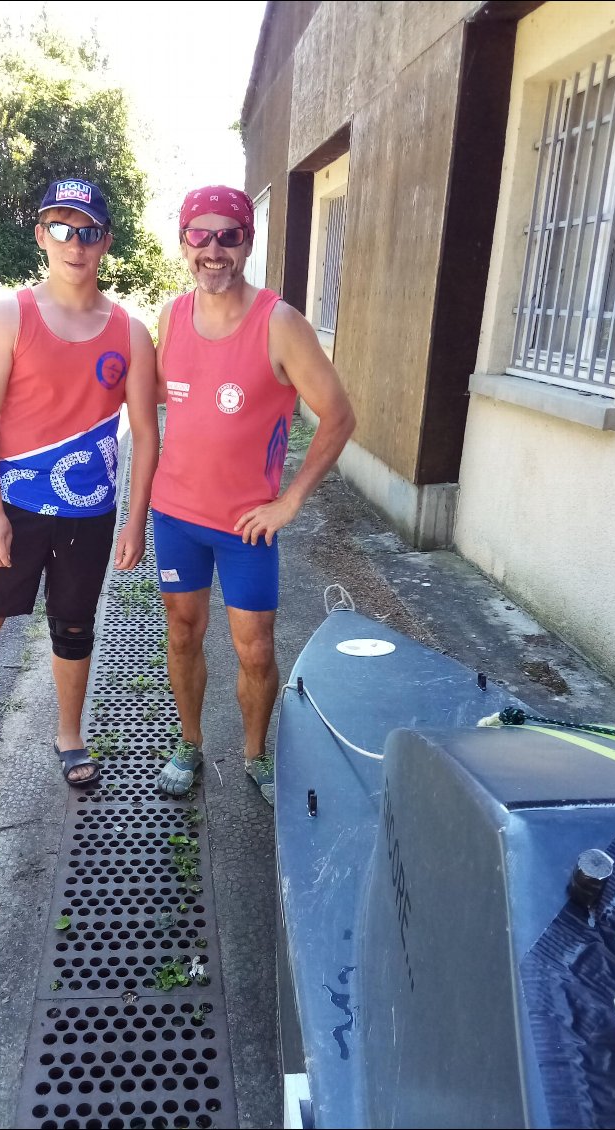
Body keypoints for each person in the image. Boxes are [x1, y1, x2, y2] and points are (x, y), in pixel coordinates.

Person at [0, 178, 159, 798]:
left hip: (87, 517)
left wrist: (133, 520)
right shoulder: (8, 315)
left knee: (74, 628)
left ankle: (70, 734)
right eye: (63, 229)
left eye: (89, 231)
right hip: (11, 509)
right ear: (43, 236)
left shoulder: (131, 331)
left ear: (106, 242)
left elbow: (147, 433)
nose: (76, 243)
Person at [151, 185, 355, 805]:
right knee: (182, 633)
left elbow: (339, 416)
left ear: (247, 242)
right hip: (175, 517)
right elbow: (170, 401)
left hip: (246, 528)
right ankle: (189, 745)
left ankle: (255, 752)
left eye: (229, 236)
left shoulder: (280, 322)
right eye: (200, 235)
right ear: (184, 242)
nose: (214, 250)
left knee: (256, 646)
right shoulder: (170, 316)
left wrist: (289, 501)